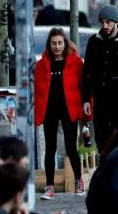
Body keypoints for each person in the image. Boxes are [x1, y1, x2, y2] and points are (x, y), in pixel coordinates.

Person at [34, 28, 86, 199]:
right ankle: (49, 186)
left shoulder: (75, 62)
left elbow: (83, 86)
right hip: (49, 110)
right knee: (50, 148)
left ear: (65, 44)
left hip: (69, 109)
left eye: (59, 43)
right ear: (49, 45)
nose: (57, 46)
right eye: (53, 43)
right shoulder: (42, 64)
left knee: (71, 147)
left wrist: (85, 110)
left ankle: (78, 180)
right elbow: (37, 89)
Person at [81, 4, 118, 148]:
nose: (105, 25)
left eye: (108, 22)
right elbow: (87, 71)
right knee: (102, 139)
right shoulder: (94, 41)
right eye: (102, 22)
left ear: (115, 21)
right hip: (100, 100)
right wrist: (86, 99)